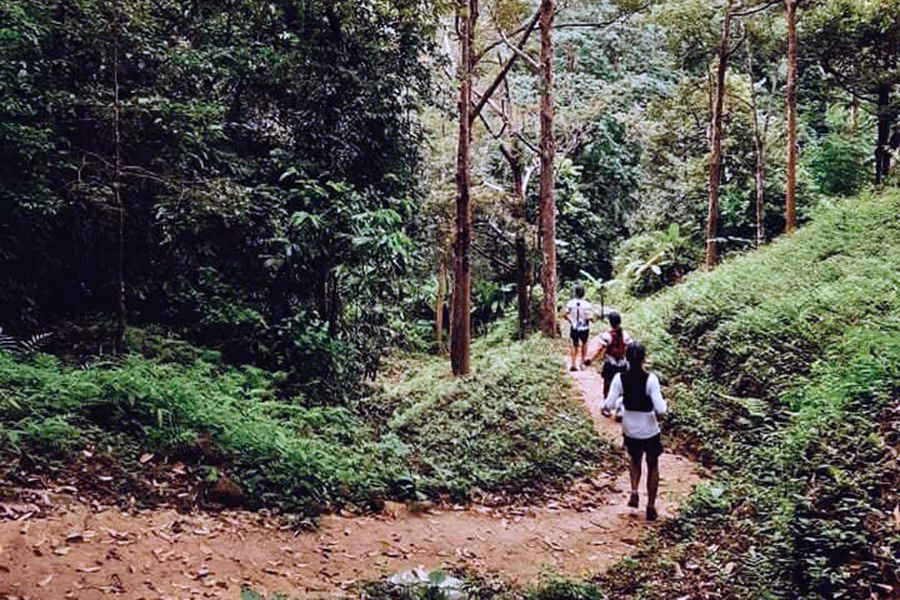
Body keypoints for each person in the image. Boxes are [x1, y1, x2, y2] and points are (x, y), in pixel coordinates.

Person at [601, 343, 666, 521]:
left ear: (627, 357)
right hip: (649, 428)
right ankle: (651, 505)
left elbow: (608, 404)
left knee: (635, 459)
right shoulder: (651, 379)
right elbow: (660, 409)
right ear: (644, 358)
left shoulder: (619, 378)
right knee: (652, 464)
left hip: (630, 427)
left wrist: (611, 406)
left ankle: (634, 491)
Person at [589, 311, 633, 418]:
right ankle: (619, 410)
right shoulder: (625, 335)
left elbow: (599, 349)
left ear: (610, 322)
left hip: (610, 365)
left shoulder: (607, 336)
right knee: (622, 388)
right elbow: (631, 348)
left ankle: (607, 408)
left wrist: (590, 359)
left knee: (607, 386)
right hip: (623, 365)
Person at [561, 284, 593, 371]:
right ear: (583, 293)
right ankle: (582, 362)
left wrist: (570, 321)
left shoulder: (570, 303)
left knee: (574, 344)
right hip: (584, 327)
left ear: (575, 293)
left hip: (574, 327)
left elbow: (564, 314)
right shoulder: (587, 304)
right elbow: (589, 317)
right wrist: (592, 319)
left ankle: (573, 363)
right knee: (584, 343)